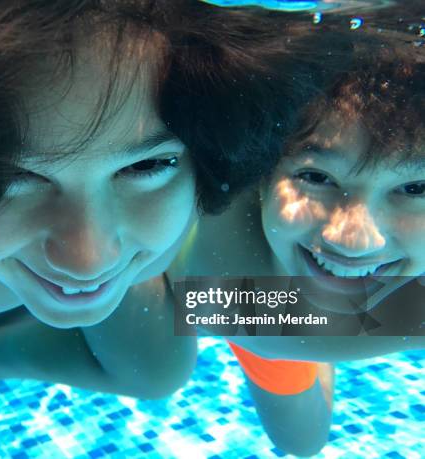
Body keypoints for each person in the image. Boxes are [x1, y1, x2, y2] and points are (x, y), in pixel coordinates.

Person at [0, 1, 346, 458]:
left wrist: (255, 313)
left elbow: (386, 308)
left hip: (210, 276)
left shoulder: (235, 164)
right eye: (11, 175)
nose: (86, 257)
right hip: (29, 295)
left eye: (145, 166)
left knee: (298, 437)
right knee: (162, 371)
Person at [167, 33, 425, 455]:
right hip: (256, 290)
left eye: (416, 188)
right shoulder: (213, 253)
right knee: (300, 440)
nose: (353, 239)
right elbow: (244, 321)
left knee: (301, 444)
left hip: (280, 298)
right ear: (263, 175)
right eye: (317, 178)